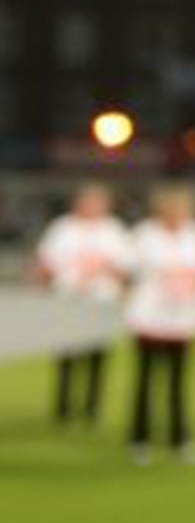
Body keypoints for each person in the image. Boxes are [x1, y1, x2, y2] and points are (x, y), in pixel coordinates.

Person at [32, 182, 132, 428]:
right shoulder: (63, 228)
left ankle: (91, 408)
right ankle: (64, 408)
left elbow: (124, 267)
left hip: (100, 301)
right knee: (67, 355)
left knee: (97, 356)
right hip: (68, 300)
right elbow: (45, 263)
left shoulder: (113, 230)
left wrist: (118, 288)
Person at [125, 182, 195, 464]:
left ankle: (180, 438)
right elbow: (129, 273)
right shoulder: (145, 235)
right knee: (146, 381)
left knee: (178, 383)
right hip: (150, 317)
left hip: (182, 319)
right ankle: (140, 438)